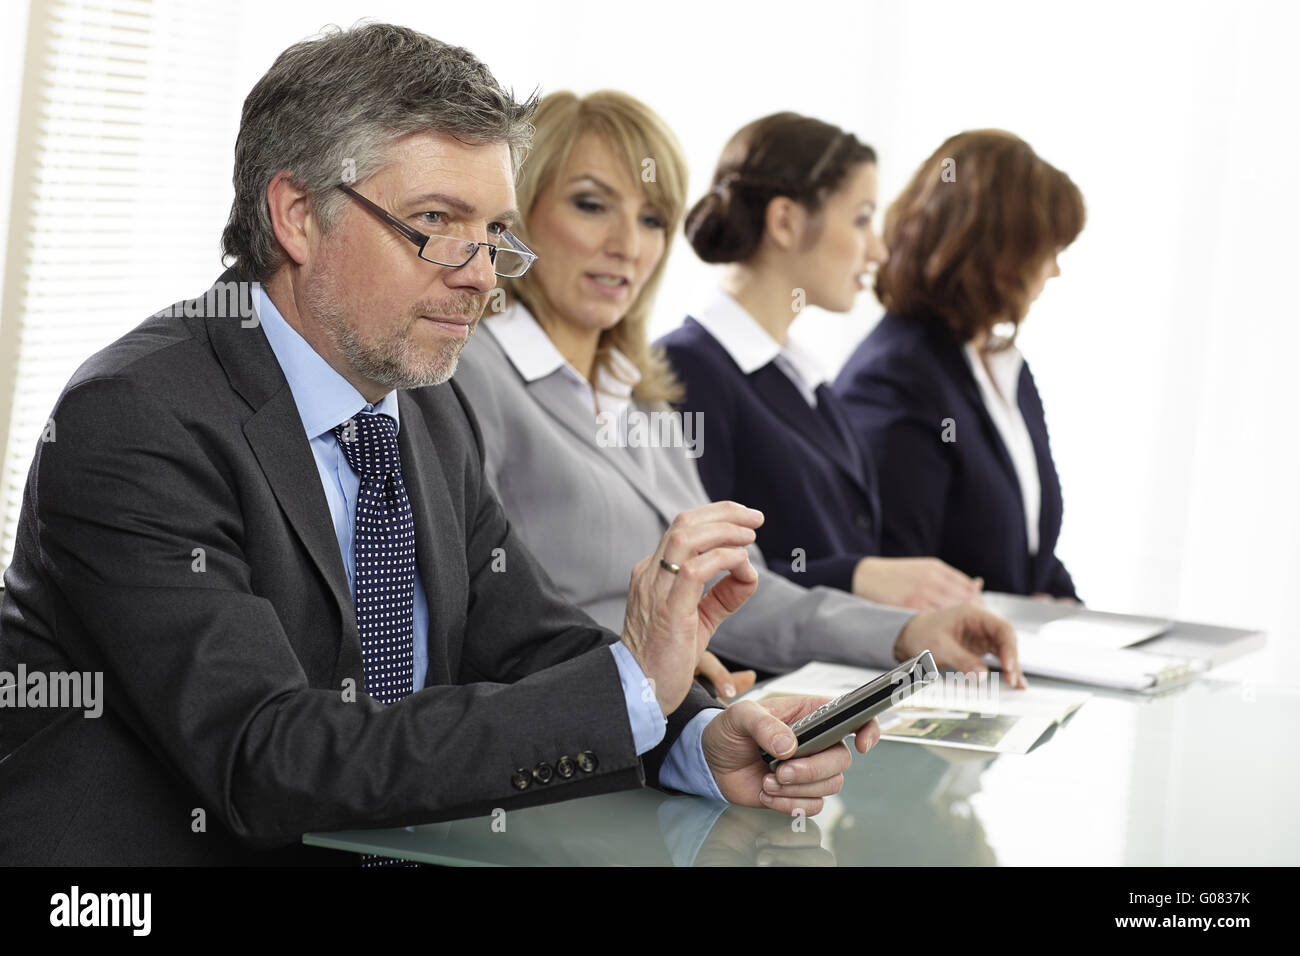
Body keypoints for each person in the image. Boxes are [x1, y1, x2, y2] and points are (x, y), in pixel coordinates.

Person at [0, 25, 872, 866]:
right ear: (299, 215)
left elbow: (526, 641)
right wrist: (631, 687)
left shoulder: (420, 403)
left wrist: (694, 737)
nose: (481, 274)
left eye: (494, 232)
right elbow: (267, 760)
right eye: (437, 222)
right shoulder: (134, 418)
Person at [453, 91, 1024, 686]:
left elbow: (735, 588)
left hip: (675, 725)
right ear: (515, 215)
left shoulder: (642, 391)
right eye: (591, 205)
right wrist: (638, 669)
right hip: (573, 738)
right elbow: (485, 619)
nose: (628, 244)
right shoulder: (469, 375)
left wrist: (903, 634)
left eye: (652, 219)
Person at [657, 113, 983, 611]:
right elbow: (697, 576)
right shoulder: (686, 369)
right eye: (860, 219)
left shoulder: (807, 381)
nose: (877, 249)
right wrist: (856, 577)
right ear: (785, 221)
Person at [832, 130, 1085, 600]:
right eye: (1048, 251)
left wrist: (1065, 614)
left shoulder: (1003, 366)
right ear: (998, 254)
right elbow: (900, 576)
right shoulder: (895, 379)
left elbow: (1035, 557)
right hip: (946, 666)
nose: (1054, 271)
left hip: (1012, 655)